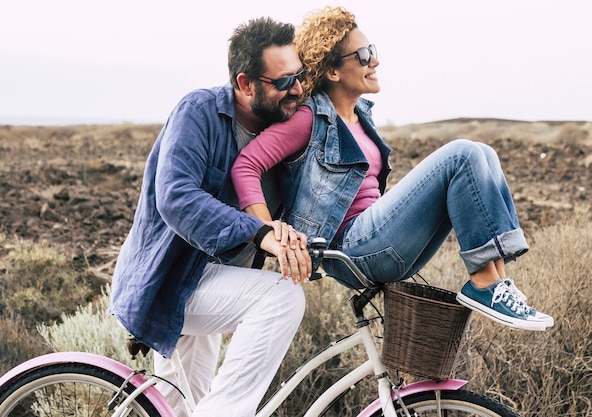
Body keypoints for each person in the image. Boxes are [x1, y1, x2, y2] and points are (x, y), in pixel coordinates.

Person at [231, 6, 553, 332]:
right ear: (332, 72)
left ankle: (495, 280)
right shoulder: (310, 118)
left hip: (375, 243)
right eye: (363, 54)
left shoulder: (362, 117)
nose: (375, 60)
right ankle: (483, 284)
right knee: (462, 155)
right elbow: (246, 165)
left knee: (484, 153)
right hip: (350, 250)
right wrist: (267, 231)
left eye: (373, 51)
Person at [109, 17, 312, 417]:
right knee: (281, 298)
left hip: (215, 280)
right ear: (245, 83)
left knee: (187, 409)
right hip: (171, 280)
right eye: (284, 82)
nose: (298, 89)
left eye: (300, 76)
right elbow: (176, 197)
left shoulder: (284, 130)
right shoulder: (198, 111)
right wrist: (259, 233)